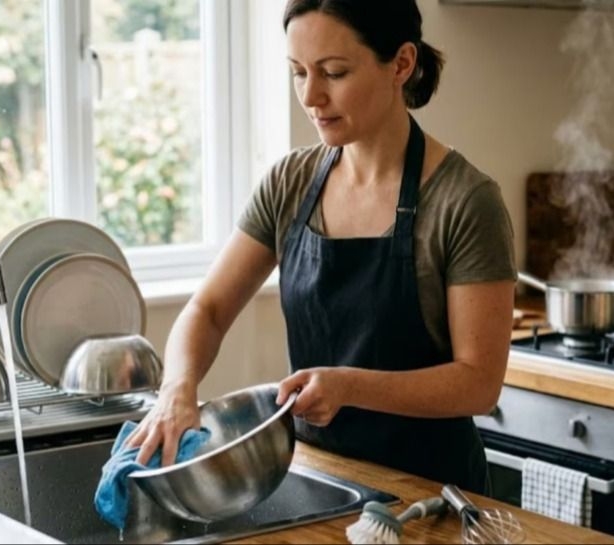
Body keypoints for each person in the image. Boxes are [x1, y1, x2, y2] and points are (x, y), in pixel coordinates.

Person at [126, 0, 516, 493]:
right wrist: (176, 390)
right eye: (297, 72)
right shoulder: (290, 183)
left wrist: (349, 387)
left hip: (432, 496)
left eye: (334, 72)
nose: (311, 96)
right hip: (319, 479)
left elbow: (479, 383)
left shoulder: (465, 202)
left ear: (401, 64)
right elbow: (207, 309)